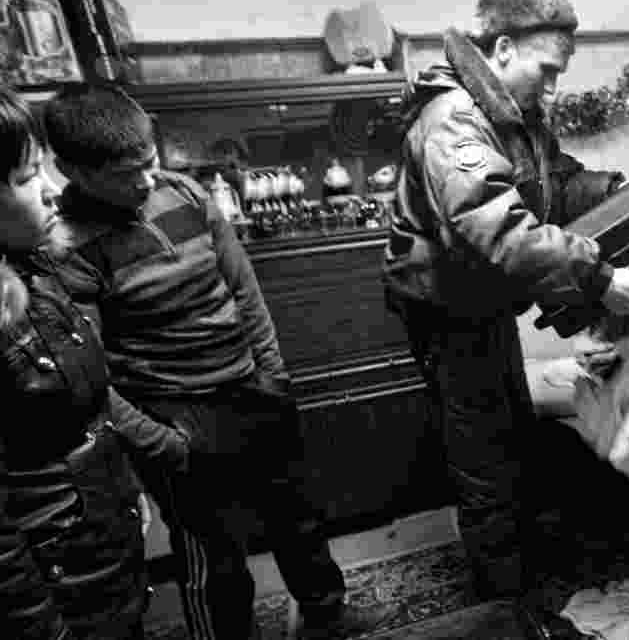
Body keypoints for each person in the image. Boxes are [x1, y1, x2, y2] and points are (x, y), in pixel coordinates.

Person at [43, 83, 396, 640]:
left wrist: (272, 373)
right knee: (214, 559)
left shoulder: (183, 192)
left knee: (298, 519)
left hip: (249, 387)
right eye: (122, 174)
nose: (143, 181)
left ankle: (326, 617)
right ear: (72, 170)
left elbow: (243, 288)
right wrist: (161, 442)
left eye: (148, 161)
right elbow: (91, 376)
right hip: (174, 414)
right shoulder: (67, 250)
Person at [382, 0, 629, 632]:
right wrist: (598, 280)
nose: (553, 86)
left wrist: (628, 189)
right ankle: (506, 613)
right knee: (484, 460)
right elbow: (500, 227)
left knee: (507, 433)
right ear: (501, 48)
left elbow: (552, 183)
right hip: (447, 311)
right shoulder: (453, 118)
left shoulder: (513, 110)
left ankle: (520, 569)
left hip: (478, 302)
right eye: (546, 70)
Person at [0, 85, 190, 639]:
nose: (51, 193)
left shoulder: (34, 268)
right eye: (26, 177)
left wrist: (124, 487)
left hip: (94, 551)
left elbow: (82, 402)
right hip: (59, 581)